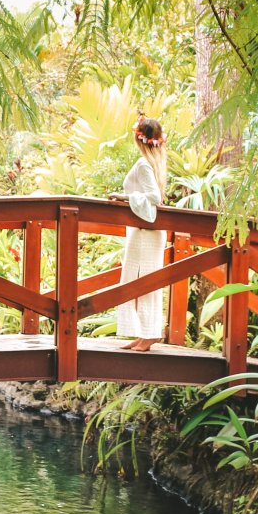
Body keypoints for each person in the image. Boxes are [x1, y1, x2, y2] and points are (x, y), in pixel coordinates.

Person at [107, 114, 168, 352]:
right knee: (138, 279)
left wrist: (125, 197)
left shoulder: (144, 164)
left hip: (145, 231)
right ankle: (144, 333)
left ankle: (150, 334)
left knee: (143, 280)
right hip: (143, 230)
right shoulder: (152, 162)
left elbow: (155, 198)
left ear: (138, 137)